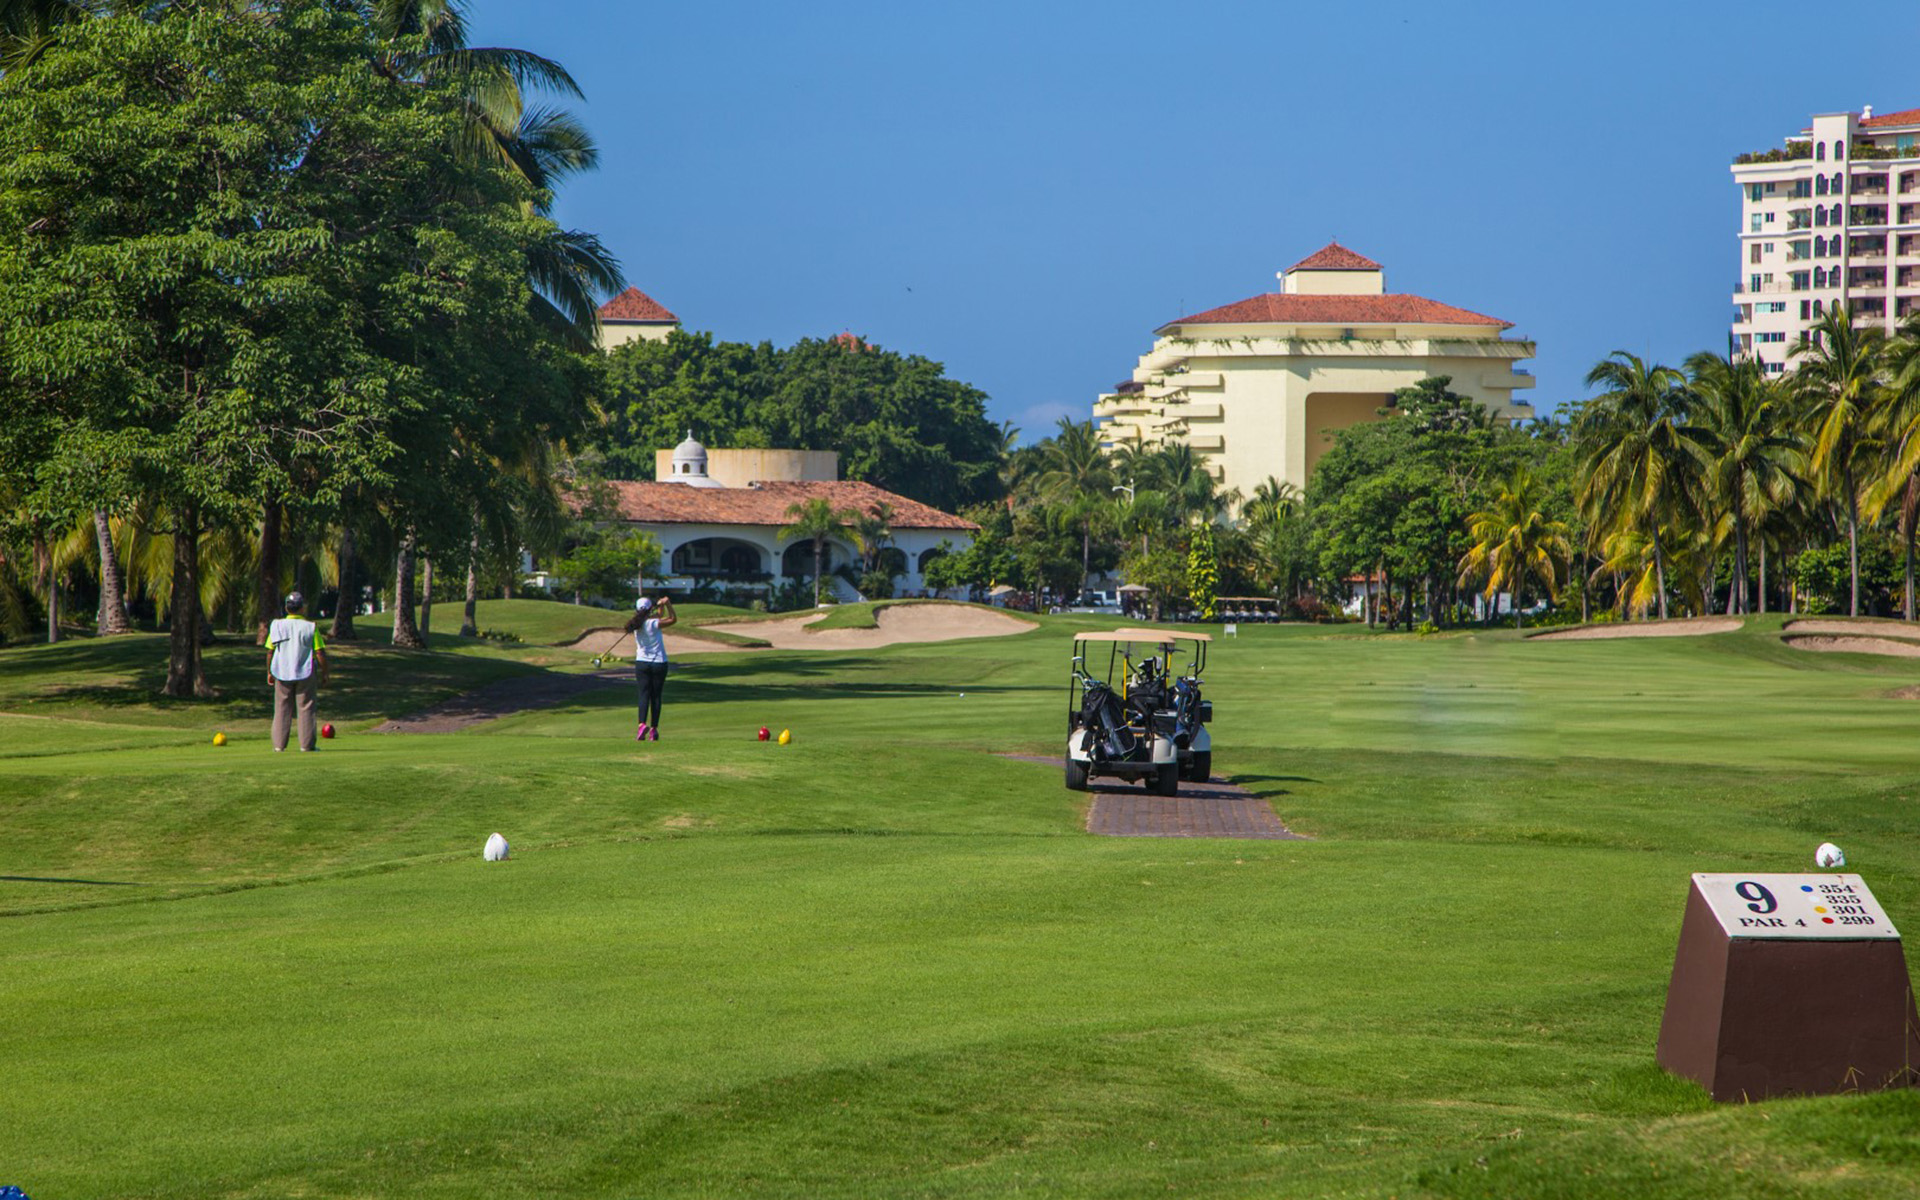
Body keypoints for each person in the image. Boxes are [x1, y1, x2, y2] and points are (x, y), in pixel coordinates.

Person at [266, 591, 329, 752]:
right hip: (305, 671)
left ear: (287, 608)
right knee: (306, 707)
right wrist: (325, 673)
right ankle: (307, 745)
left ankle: (279, 745)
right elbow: (319, 652)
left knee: (281, 707)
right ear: (302, 608)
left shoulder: (277, 625)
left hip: (281, 671)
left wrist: (269, 672)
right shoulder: (310, 627)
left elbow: (270, 651)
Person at [626, 594, 676, 741]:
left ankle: (641, 725)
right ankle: (653, 729)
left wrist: (660, 606)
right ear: (649, 609)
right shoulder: (654, 623)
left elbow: (658, 615)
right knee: (656, 696)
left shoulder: (635, 624)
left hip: (642, 663)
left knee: (643, 694)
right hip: (659, 663)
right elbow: (673, 619)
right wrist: (668, 604)